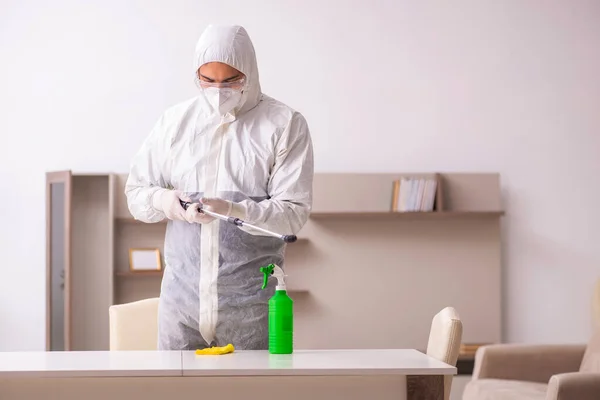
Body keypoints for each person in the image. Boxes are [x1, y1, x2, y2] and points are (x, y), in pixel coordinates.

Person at [125, 24, 314, 350]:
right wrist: (170, 202)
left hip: (251, 307)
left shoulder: (284, 124)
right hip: (181, 307)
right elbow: (136, 193)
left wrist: (236, 210)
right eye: (207, 80)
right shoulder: (175, 122)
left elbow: (293, 213)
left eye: (230, 81)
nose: (217, 91)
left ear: (250, 73)